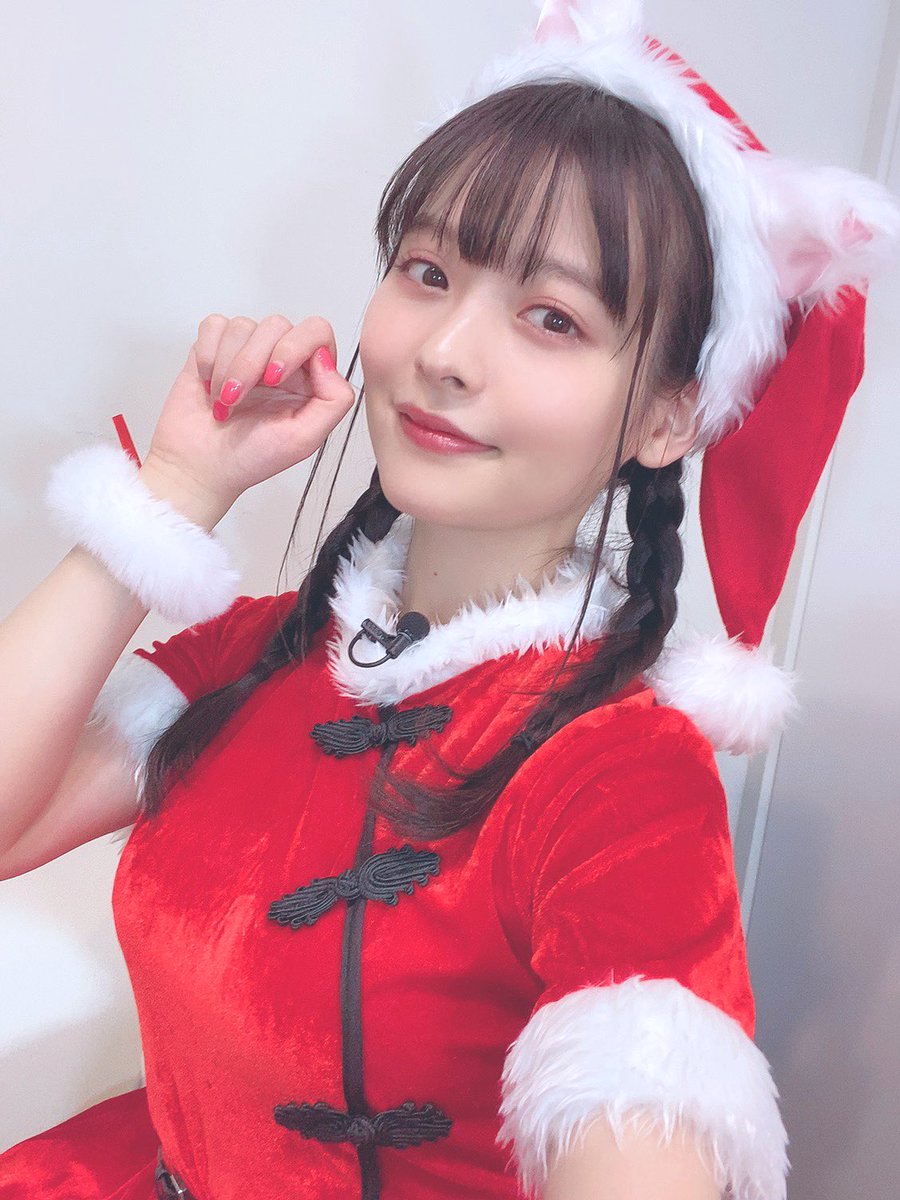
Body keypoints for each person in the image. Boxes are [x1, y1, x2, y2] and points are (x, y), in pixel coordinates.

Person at [1, 2, 897, 1198]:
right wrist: (176, 489)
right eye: (428, 272)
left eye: (551, 318)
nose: (445, 351)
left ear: (668, 415)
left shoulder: (618, 778)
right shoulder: (256, 653)